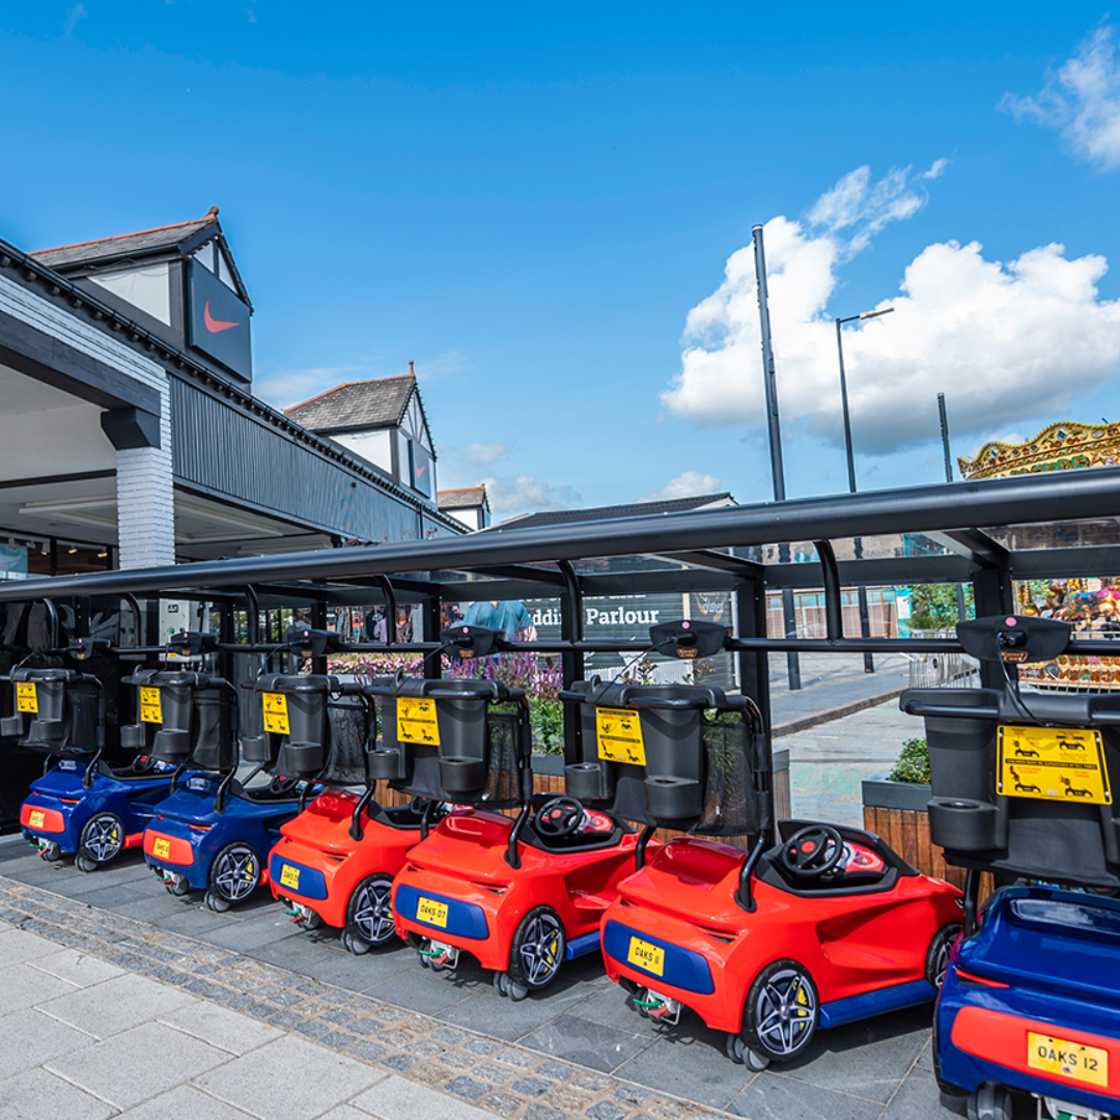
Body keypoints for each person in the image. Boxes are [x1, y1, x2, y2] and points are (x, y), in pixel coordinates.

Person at [460, 599, 537, 641]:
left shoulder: (476, 607)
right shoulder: (515, 604)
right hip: (511, 657)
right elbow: (531, 635)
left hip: (485, 659)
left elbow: (466, 636)